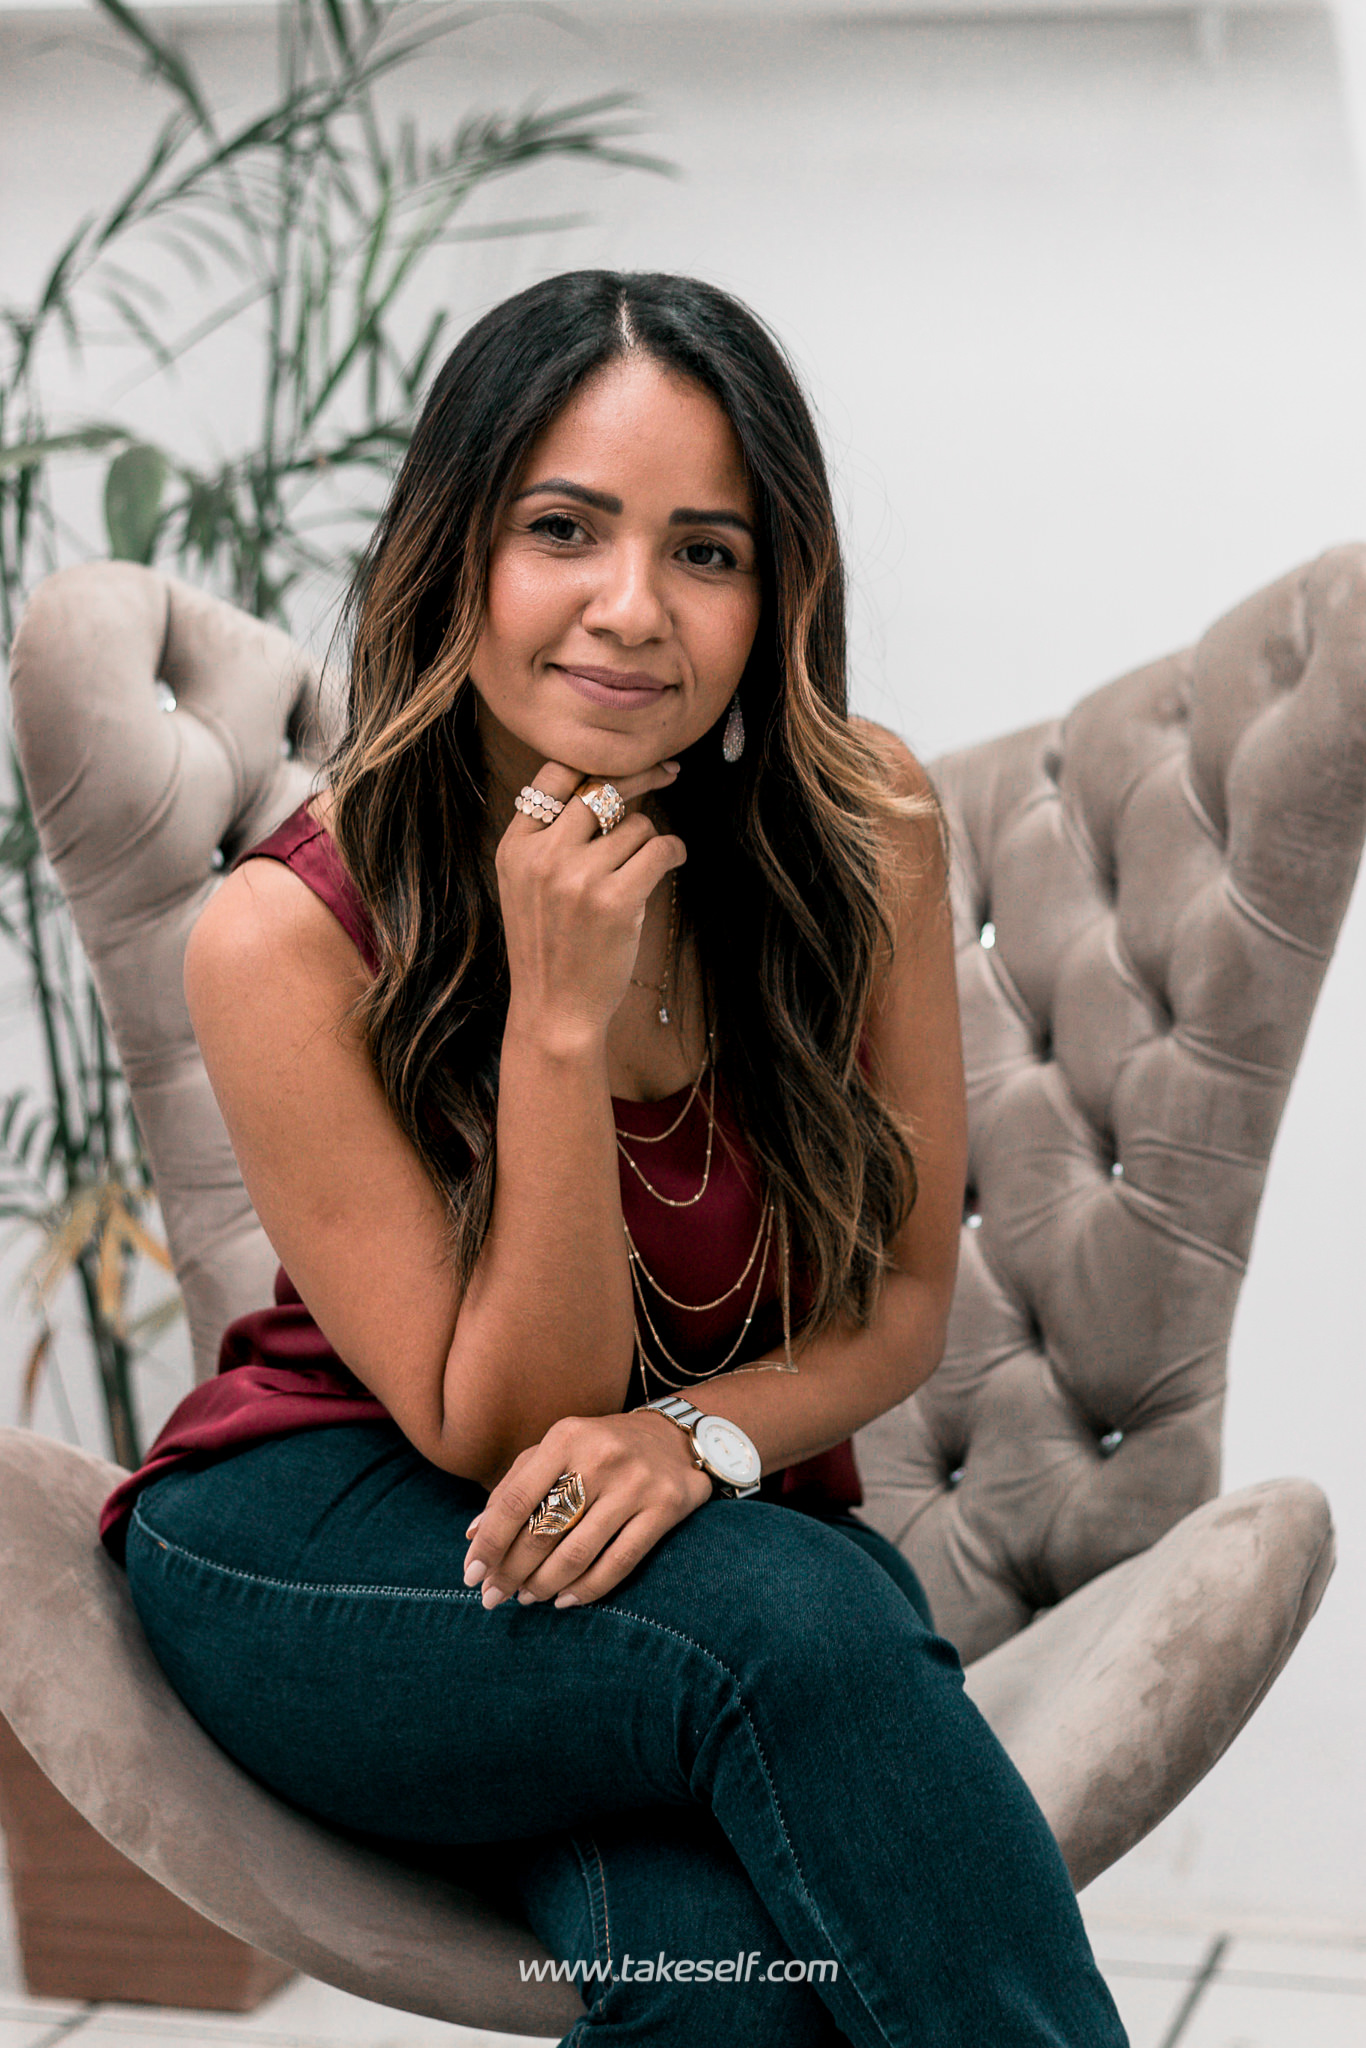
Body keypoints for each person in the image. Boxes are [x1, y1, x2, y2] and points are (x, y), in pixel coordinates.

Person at [101, 270, 1128, 2048]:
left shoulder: (857, 826)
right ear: (460, 552)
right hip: (329, 1548)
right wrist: (556, 1025)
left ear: (777, 592)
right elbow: (500, 1424)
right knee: (799, 1619)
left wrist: (690, 1436)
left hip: (676, 1565)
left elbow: (893, 1309)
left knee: (732, 1994)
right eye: (562, 529)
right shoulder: (285, 931)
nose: (631, 610)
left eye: (707, 551)